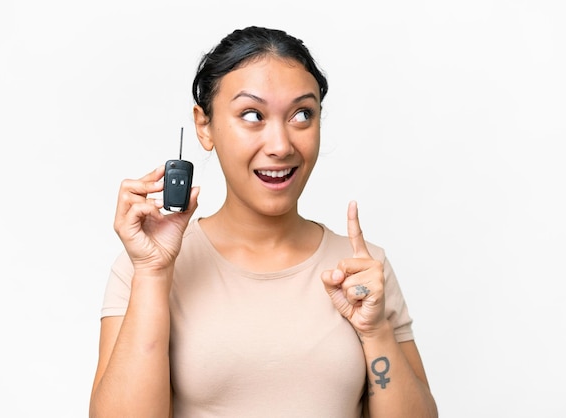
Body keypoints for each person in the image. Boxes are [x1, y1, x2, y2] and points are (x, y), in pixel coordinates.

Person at [89, 26, 438, 418]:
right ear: (204, 126)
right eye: (252, 115)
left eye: (302, 114)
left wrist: (376, 333)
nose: (280, 145)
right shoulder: (148, 266)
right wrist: (153, 275)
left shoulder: (364, 270)